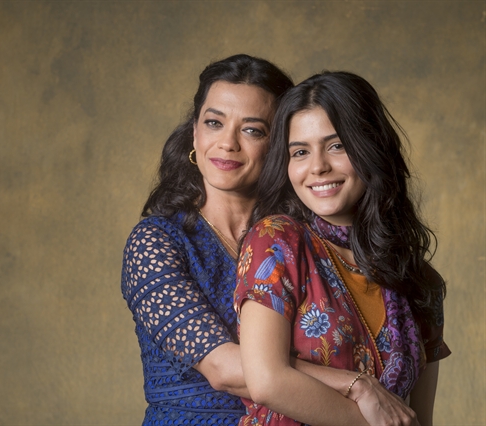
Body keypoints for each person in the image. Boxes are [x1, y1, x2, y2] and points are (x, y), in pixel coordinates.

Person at [234, 71, 451, 426]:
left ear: (371, 147)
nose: (318, 167)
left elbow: (419, 418)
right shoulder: (277, 242)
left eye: (336, 146)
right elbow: (266, 381)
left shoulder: (418, 280)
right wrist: (360, 387)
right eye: (300, 151)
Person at [120, 54, 294, 424]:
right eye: (214, 123)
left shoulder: (294, 240)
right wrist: (356, 389)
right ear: (194, 134)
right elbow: (224, 368)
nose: (227, 143)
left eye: (252, 130)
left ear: (279, 144)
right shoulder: (155, 242)